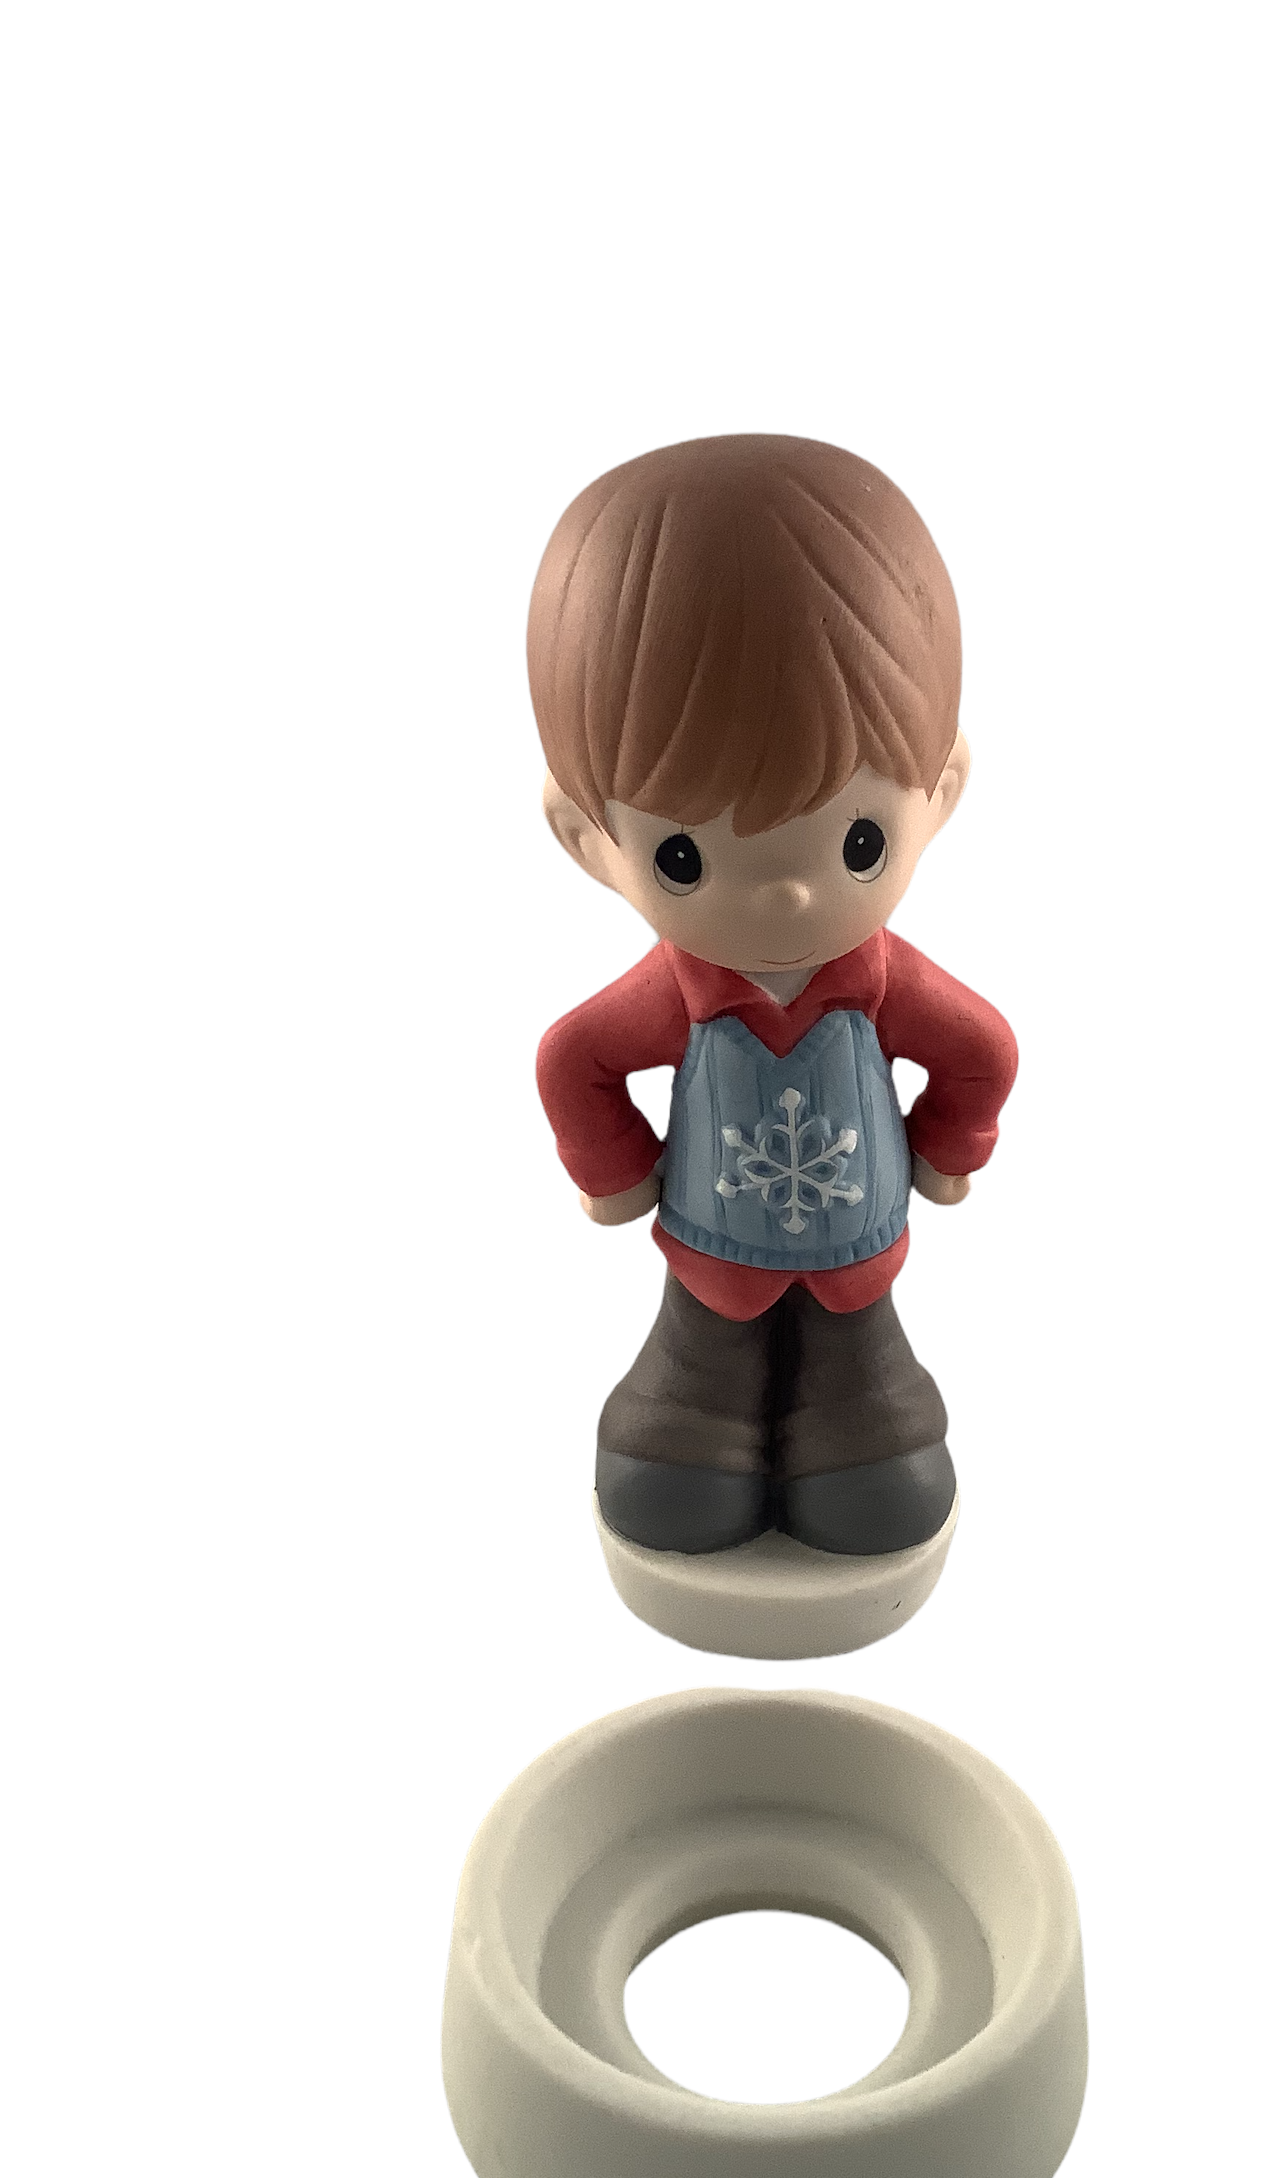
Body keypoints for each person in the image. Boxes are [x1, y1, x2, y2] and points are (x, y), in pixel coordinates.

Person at [532, 434, 1017, 1559]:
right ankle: (696, 1406)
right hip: (712, 1260)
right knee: (688, 1409)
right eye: (685, 857)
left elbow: (983, 1049)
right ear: (586, 841)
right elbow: (575, 1058)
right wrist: (615, 1170)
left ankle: (860, 1408)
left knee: (873, 1440)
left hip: (857, 1258)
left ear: (941, 790)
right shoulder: (681, 995)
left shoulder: (885, 985)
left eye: (858, 841)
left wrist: (951, 1143)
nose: (788, 893)